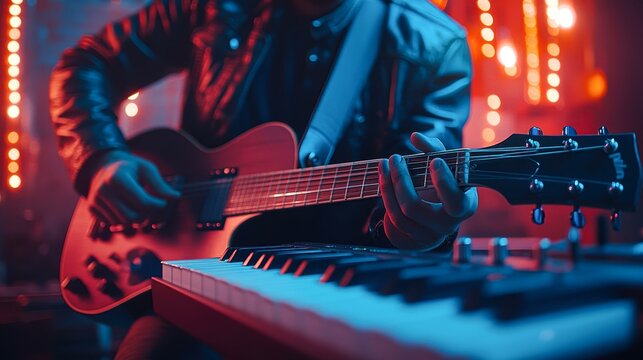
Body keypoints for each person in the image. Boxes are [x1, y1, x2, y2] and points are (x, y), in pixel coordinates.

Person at [50, 0, 477, 357]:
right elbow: (86, 63)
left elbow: (423, 186)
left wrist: (422, 223)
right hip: (196, 279)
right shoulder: (212, 5)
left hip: (340, 293)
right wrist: (101, 158)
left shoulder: (435, 44)